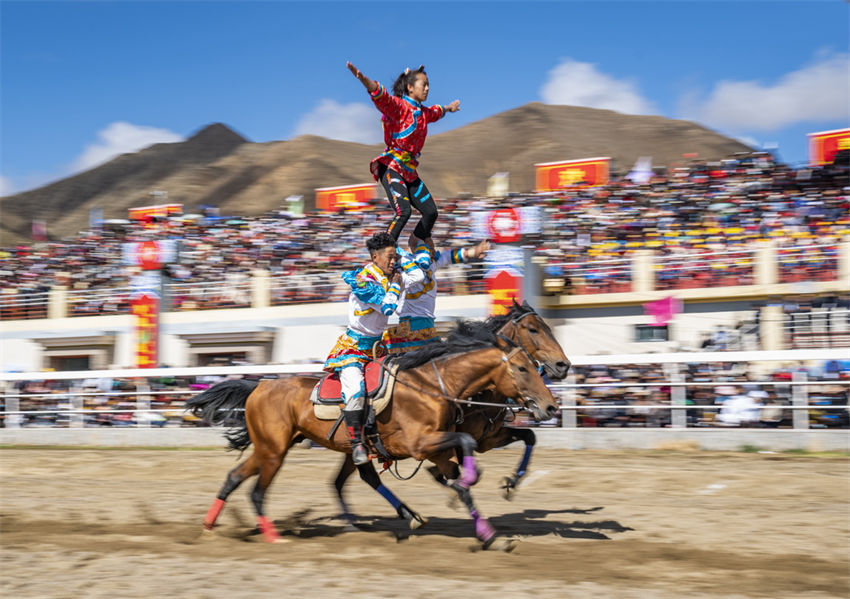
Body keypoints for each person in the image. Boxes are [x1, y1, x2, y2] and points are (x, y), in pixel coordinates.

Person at [323, 232, 423, 464]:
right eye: (390, 257)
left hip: (379, 347)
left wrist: (403, 257)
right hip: (354, 348)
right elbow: (388, 307)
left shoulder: (391, 274)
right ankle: (357, 444)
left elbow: (418, 276)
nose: (393, 261)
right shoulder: (363, 281)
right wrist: (397, 283)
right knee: (355, 390)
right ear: (375, 256)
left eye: (394, 257)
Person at [346, 61, 460, 248]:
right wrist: (364, 80)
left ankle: (416, 239)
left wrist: (449, 108)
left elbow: (437, 111)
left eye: (428, 85)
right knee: (403, 212)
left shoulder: (424, 113)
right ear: (410, 87)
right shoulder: (398, 107)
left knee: (431, 212)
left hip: (409, 171)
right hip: (392, 166)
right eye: (424, 85)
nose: (427, 88)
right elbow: (381, 95)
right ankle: (383, 252)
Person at [384, 235, 490, 354]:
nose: (434, 250)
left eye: (433, 246)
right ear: (420, 250)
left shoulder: (430, 264)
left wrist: (473, 252)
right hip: (409, 330)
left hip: (428, 328)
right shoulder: (406, 265)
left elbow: (448, 257)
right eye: (430, 247)